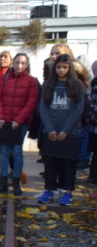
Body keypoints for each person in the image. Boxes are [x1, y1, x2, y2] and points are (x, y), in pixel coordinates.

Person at [37, 54, 84, 206]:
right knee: (50, 163)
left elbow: (78, 109)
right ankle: (49, 190)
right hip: (50, 132)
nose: (61, 70)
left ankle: (67, 192)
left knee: (68, 164)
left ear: (70, 68)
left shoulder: (76, 85)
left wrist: (66, 130)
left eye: (65, 67)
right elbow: (43, 108)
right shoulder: (49, 84)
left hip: (70, 133)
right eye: (58, 67)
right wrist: (50, 129)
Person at [0, 53, 39, 196]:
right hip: (4, 122)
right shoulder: (4, 78)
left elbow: (31, 102)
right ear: (13, 63)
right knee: (4, 152)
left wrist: (19, 120)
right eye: (17, 62)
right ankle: (3, 182)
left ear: (27, 65)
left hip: (20, 123)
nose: (19, 66)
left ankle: (16, 181)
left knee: (17, 151)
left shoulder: (31, 81)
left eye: (23, 63)